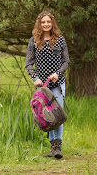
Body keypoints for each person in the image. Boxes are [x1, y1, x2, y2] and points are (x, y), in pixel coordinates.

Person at [25, 11, 70, 159]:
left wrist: (58, 73)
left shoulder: (60, 40)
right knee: (46, 115)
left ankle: (58, 147)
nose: (46, 24)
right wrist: (35, 78)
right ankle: (52, 146)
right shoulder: (33, 41)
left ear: (52, 24)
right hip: (42, 86)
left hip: (57, 83)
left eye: (48, 22)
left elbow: (66, 61)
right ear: (39, 24)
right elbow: (29, 64)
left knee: (57, 113)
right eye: (43, 22)